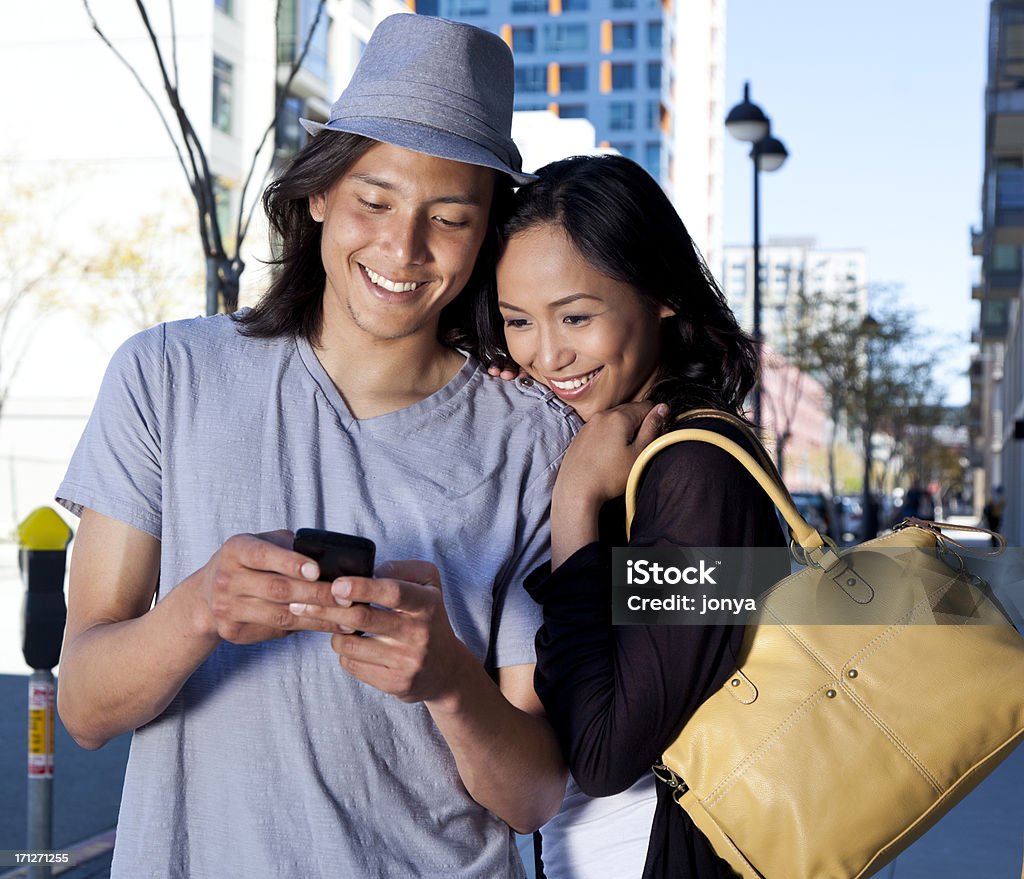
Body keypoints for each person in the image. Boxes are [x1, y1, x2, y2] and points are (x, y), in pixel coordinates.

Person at [55, 15, 575, 878]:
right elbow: (82, 706)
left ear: (486, 233)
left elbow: (532, 795)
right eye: (375, 201)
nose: (402, 249)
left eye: (448, 218)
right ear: (320, 193)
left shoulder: (532, 437)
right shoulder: (166, 375)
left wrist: (448, 677)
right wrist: (198, 609)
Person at [481, 154, 787, 879]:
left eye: (576, 316)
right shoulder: (633, 446)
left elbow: (605, 752)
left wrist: (574, 508)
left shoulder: (694, 471)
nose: (547, 354)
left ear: (663, 294)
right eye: (519, 321)